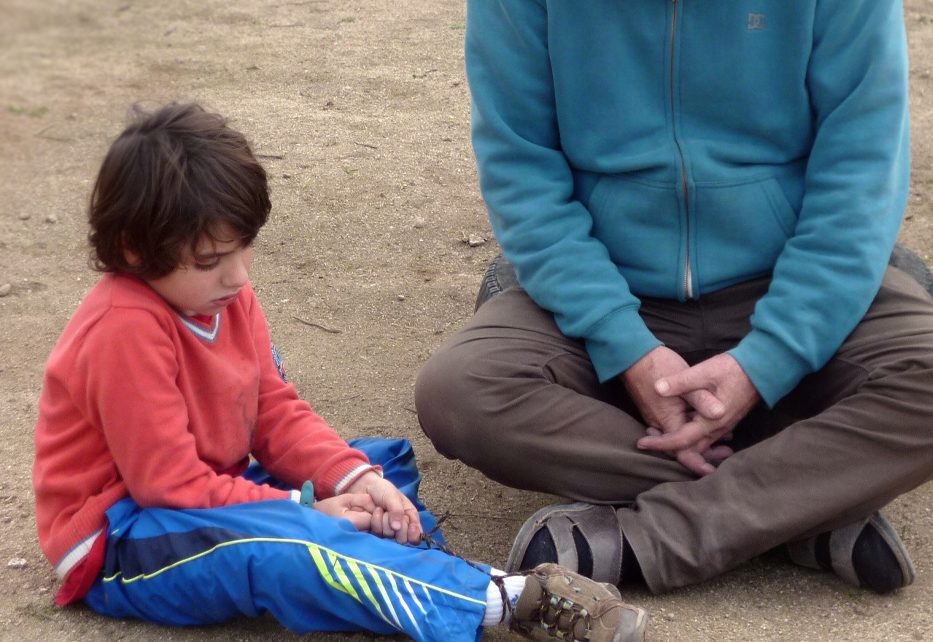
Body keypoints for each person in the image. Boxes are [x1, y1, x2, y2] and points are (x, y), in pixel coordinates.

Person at [414, 0, 933, 596]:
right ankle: (803, 506)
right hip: (611, 289)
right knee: (461, 395)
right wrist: (624, 348)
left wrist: (768, 360)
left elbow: (860, 170)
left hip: (781, 276)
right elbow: (519, 163)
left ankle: (650, 541)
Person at [35, 102, 649, 642]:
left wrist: (352, 480)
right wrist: (301, 512)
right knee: (284, 549)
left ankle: (400, 560)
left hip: (208, 487)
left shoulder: (221, 297)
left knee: (379, 465)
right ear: (135, 249)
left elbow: (272, 410)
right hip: (123, 535)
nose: (238, 275)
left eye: (245, 248)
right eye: (210, 259)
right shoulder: (124, 327)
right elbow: (168, 487)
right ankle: (504, 600)